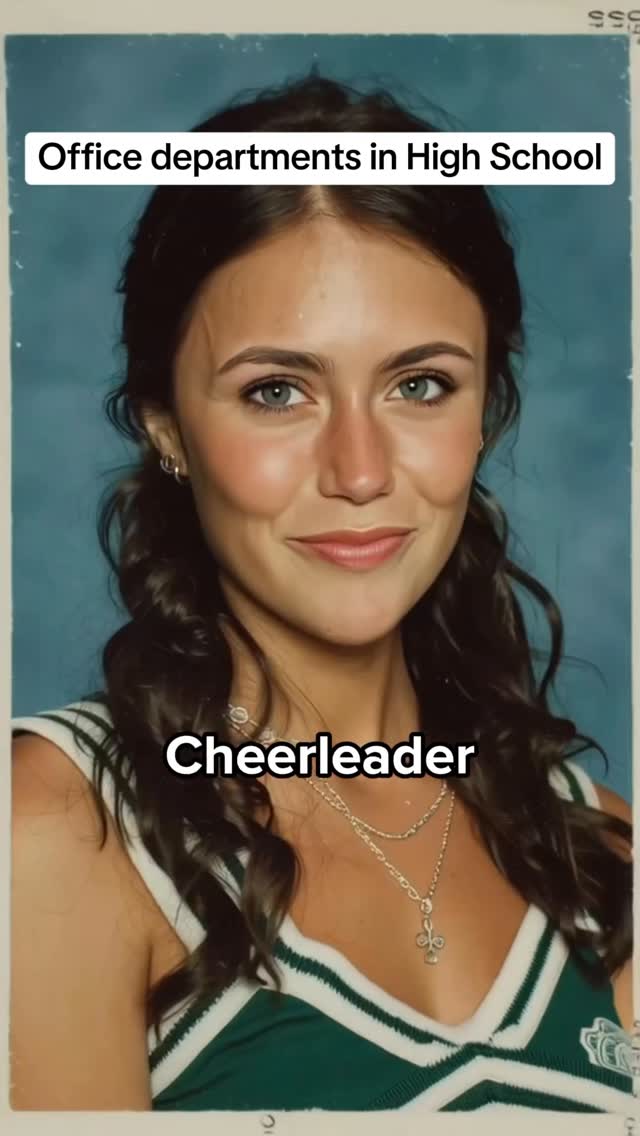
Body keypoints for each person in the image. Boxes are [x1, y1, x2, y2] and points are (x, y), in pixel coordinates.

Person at [11, 71, 633, 1113]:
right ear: (167, 427)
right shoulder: (56, 829)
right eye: (276, 391)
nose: (359, 470)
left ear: (486, 409)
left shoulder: (598, 847)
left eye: (420, 385)